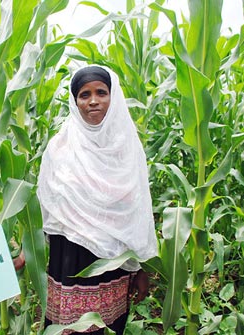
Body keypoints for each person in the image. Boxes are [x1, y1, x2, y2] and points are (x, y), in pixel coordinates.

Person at [37, 66, 158, 335]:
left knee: (108, 327)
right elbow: (46, 207)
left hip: (113, 261)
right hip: (69, 257)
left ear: (112, 97)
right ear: (75, 101)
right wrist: (27, 251)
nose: (93, 100)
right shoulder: (60, 147)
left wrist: (141, 268)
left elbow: (138, 212)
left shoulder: (127, 148)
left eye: (101, 92)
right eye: (84, 94)